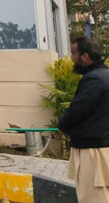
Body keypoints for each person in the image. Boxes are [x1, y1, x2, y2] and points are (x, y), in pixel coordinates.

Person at [59, 36, 109, 202]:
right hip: (102, 146)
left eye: (74, 54)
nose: (71, 58)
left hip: (93, 151)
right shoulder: (105, 75)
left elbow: (78, 109)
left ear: (85, 56)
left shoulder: (94, 78)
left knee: (94, 197)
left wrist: (63, 125)